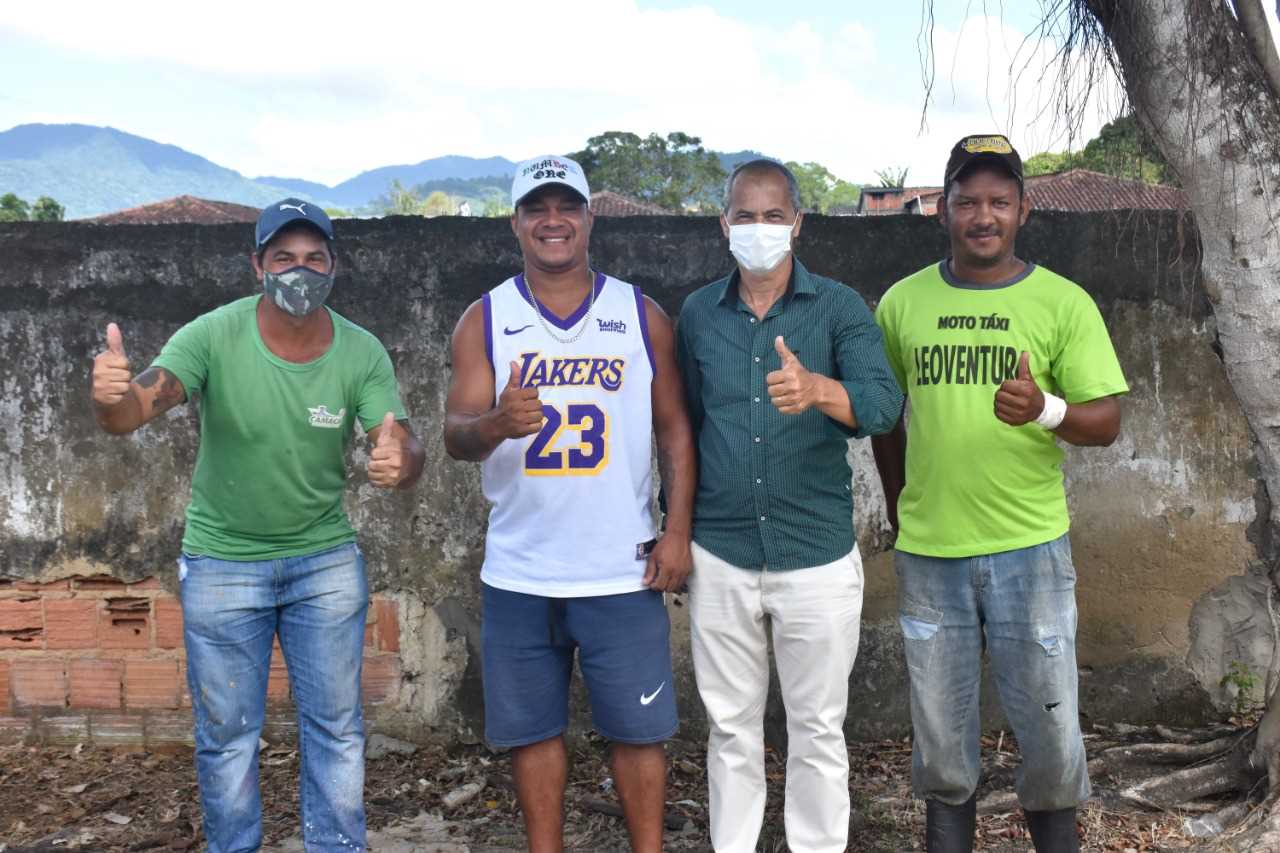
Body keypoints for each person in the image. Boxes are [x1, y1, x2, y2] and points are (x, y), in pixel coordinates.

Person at [90, 198, 425, 853]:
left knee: (337, 727)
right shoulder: (212, 335)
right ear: (257, 266)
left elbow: (403, 444)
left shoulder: (360, 350)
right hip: (222, 563)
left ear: (334, 266)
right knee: (228, 734)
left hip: (323, 562)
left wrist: (399, 460)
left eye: (313, 258)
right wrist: (108, 400)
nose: (299, 270)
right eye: (283, 258)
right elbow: (134, 410)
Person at [871, 134, 1128, 853]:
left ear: (1023, 208)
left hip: (1031, 553)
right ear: (942, 209)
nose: (982, 215)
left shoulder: (1061, 301)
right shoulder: (902, 303)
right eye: (966, 201)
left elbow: (1105, 421)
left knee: (1050, 738)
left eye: (998, 201)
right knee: (942, 748)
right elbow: (884, 414)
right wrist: (899, 506)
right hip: (931, 554)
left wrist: (1045, 408)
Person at [442, 155, 695, 853]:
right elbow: (455, 436)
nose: (552, 221)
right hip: (522, 570)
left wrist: (678, 530)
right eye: (536, 208)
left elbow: (675, 429)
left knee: (638, 731)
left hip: (621, 567)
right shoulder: (485, 318)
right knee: (533, 731)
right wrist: (495, 423)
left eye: (566, 207)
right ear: (516, 221)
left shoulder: (639, 314)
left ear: (589, 217)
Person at [675, 159, 903, 853]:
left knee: (816, 728)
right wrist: (675, 530)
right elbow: (682, 424)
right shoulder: (696, 314)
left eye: (774, 215)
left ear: (798, 223)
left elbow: (884, 405)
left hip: (816, 555)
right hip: (721, 553)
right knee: (731, 728)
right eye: (745, 215)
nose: (759, 228)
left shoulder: (838, 307)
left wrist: (819, 391)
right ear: (724, 225)